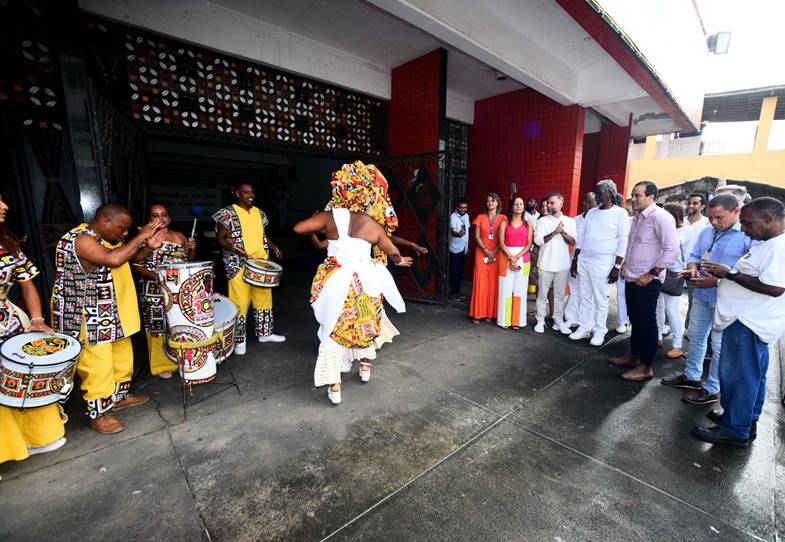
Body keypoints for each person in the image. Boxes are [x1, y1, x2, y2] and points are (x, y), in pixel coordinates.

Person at [294, 162, 412, 405]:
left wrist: (320, 228)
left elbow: (299, 228)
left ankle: (335, 385)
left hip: (337, 280)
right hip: (366, 282)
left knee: (334, 328)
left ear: (341, 189)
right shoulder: (372, 224)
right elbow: (392, 251)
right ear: (366, 194)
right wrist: (399, 262)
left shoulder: (329, 217)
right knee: (365, 322)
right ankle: (365, 367)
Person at [51, 204, 165, 433]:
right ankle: (99, 413)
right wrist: (141, 235)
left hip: (113, 312)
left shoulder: (108, 239)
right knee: (98, 366)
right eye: (122, 229)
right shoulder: (81, 240)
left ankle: (119, 397)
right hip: (89, 314)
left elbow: (127, 258)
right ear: (105, 222)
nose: (124, 234)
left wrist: (148, 247)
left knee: (122, 358)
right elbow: (112, 260)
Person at [691, 197, 785, 446]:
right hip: (746, 321)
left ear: (768, 219)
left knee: (739, 377)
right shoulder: (767, 242)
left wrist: (729, 273)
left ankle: (735, 429)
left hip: (748, 323)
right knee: (753, 376)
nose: (743, 229)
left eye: (747, 223)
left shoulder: (778, 247)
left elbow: (775, 288)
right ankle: (743, 419)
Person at [660, 194, 752, 404]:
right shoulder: (707, 231)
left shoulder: (747, 235)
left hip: (727, 300)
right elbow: (694, 255)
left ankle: (712, 388)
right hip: (701, 293)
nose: (713, 222)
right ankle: (692, 377)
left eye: (719, 217)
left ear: (736, 211)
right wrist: (692, 269)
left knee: (718, 345)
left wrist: (717, 282)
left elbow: (748, 273)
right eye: (710, 217)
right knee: (696, 336)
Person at [1, 195, 68, 465]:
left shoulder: (7, 243)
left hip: (9, 322)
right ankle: (9, 447)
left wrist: (37, 319)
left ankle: (38, 437)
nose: (5, 206)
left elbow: (27, 283)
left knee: (23, 381)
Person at [609, 181, 678, 381]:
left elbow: (671, 250)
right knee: (635, 320)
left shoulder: (661, 217)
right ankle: (633, 356)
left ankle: (646, 366)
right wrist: (626, 268)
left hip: (647, 280)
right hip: (632, 277)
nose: (634, 199)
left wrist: (651, 274)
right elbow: (634, 246)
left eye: (638, 195)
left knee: (646, 322)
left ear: (652, 196)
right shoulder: (638, 218)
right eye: (633, 195)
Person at [213, 183, 286, 355]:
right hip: (238, 264)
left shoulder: (259, 213)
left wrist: (275, 248)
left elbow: (263, 235)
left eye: (252, 192)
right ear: (237, 193)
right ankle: (239, 340)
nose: (250, 195)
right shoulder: (227, 213)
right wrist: (236, 250)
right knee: (240, 302)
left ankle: (265, 334)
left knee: (264, 300)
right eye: (246, 192)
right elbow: (220, 239)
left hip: (260, 264)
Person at [132, 204, 196, 379]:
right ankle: (162, 365)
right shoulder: (144, 237)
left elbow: (189, 262)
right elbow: (136, 262)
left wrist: (192, 248)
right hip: (154, 289)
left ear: (169, 218)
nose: (160, 218)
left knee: (177, 324)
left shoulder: (180, 236)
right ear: (149, 219)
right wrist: (158, 278)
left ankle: (181, 360)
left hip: (177, 289)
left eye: (164, 215)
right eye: (155, 215)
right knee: (157, 326)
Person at [568, 181, 629, 346]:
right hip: (584, 259)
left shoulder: (620, 213)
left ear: (609, 192)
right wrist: (575, 259)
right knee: (584, 295)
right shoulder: (592, 213)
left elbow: (623, 241)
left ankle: (599, 330)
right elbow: (581, 238)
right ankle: (584, 327)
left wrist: (617, 266)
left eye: (599, 192)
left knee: (600, 298)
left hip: (603, 262)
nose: (596, 195)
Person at [533, 192, 576, 333]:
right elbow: (538, 241)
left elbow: (574, 242)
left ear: (561, 204)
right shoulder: (542, 221)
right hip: (545, 263)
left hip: (562, 264)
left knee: (559, 295)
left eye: (552, 203)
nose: (549, 205)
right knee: (542, 294)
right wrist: (554, 233)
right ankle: (540, 320)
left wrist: (562, 232)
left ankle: (558, 321)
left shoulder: (570, 221)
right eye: (548, 203)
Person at [655, 203, 692, 359]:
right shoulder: (665, 228)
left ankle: (677, 345)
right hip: (659, 269)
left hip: (674, 272)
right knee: (658, 307)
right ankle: (657, 337)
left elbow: (676, 248)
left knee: (672, 310)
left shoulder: (686, 229)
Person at [496, 196, 533, 329]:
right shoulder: (504, 223)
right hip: (505, 257)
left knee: (520, 291)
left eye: (521, 204)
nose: (519, 206)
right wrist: (511, 257)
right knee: (505, 290)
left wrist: (516, 256)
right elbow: (500, 243)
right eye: (516, 204)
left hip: (523, 259)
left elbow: (529, 244)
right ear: (512, 206)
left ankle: (518, 321)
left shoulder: (528, 224)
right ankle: (504, 320)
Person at [469, 192, 507, 324]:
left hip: (496, 252)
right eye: (488, 201)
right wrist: (486, 251)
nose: (490, 203)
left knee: (492, 282)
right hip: (481, 252)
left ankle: (490, 313)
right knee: (480, 281)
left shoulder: (503, 218)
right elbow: (477, 237)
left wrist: (494, 251)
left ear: (498, 203)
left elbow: (503, 238)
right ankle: (478, 313)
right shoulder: (479, 217)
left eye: (493, 201)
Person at [562, 192, 597, 333]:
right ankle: (571, 318)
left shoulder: (597, 219)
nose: (586, 205)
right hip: (574, 259)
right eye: (585, 202)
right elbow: (574, 241)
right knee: (574, 289)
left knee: (588, 293)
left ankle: (587, 322)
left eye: (590, 202)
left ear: (597, 203)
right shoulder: (576, 219)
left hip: (591, 261)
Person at [684, 192, 709, 331]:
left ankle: (688, 328)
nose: (690, 205)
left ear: (703, 206)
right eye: (689, 202)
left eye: (695, 203)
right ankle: (666, 325)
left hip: (695, 267)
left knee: (693, 300)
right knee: (667, 298)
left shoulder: (706, 223)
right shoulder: (681, 220)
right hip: (676, 265)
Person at [613, 193, 632, 334]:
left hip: (630, 261)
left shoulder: (627, 218)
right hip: (614, 259)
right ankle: (622, 321)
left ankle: (627, 320)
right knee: (620, 293)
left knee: (627, 293)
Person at [449, 198, 470, 299]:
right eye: (461, 207)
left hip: (463, 248)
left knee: (460, 271)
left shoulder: (466, 216)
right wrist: (458, 234)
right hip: (454, 248)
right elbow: (453, 231)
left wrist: (467, 246)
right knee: (454, 271)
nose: (463, 209)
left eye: (465, 207)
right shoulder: (453, 216)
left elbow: (467, 232)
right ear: (457, 207)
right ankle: (453, 293)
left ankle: (458, 291)